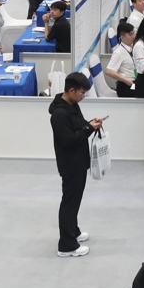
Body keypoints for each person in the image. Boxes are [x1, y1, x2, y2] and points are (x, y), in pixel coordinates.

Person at [49, 71, 105, 258]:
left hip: (79, 161)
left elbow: (80, 125)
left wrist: (91, 123)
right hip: (70, 164)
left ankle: (73, 231)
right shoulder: (59, 114)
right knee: (69, 204)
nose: (83, 97)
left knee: (75, 201)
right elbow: (67, 140)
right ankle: (66, 245)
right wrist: (89, 128)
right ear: (71, 90)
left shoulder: (73, 105)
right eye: (81, 93)